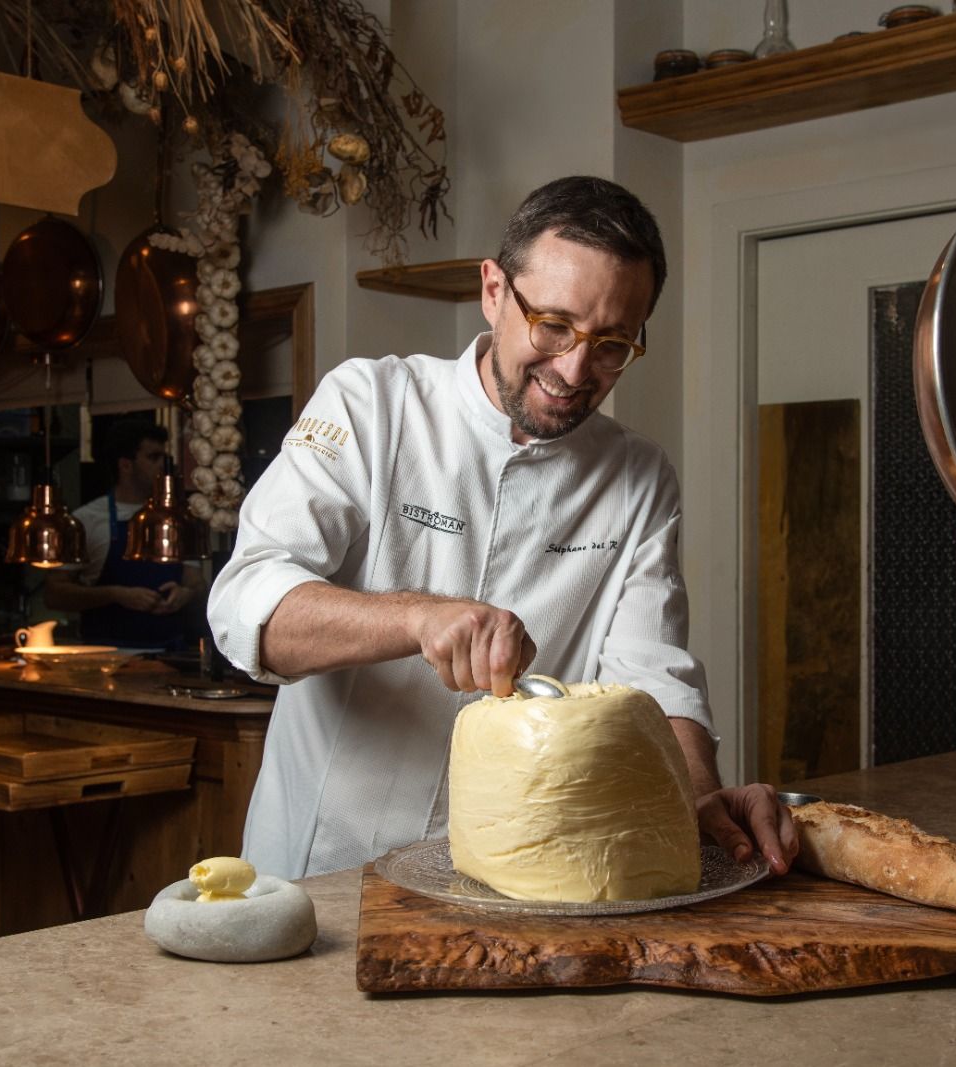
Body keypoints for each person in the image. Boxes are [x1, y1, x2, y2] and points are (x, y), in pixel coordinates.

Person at [207, 175, 798, 880]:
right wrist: (421, 617)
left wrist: (699, 796)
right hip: (323, 871)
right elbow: (250, 606)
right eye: (553, 324)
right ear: (493, 291)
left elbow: (652, 676)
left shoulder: (639, 475)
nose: (574, 369)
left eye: (612, 344)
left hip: (513, 881)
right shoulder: (372, 403)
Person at [44, 419, 204, 649]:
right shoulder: (87, 520)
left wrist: (185, 594)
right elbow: (54, 594)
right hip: (105, 659)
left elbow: (197, 584)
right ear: (126, 465)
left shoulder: (178, 520)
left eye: (164, 458)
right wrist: (115, 594)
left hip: (170, 656)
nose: (164, 467)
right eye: (153, 457)